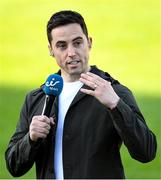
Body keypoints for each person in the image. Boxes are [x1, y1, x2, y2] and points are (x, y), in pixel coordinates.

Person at [5, 10, 157, 179]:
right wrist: (31, 139)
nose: (71, 53)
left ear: (89, 43)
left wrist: (116, 105)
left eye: (77, 43)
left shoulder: (114, 92)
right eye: (62, 46)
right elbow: (13, 166)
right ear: (51, 50)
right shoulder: (36, 98)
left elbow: (146, 152)